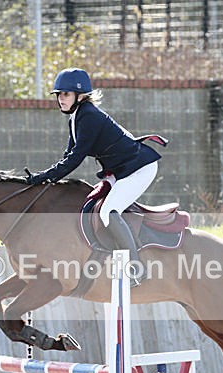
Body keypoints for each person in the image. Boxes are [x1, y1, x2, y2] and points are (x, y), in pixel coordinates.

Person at [26, 67, 165, 285]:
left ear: (80, 96)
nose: (60, 99)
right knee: (93, 204)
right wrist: (47, 177)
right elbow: (68, 154)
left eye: (65, 94)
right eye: (58, 95)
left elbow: (76, 158)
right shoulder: (76, 116)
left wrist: (45, 176)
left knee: (109, 211)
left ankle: (137, 268)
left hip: (139, 169)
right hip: (121, 170)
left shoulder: (88, 115)